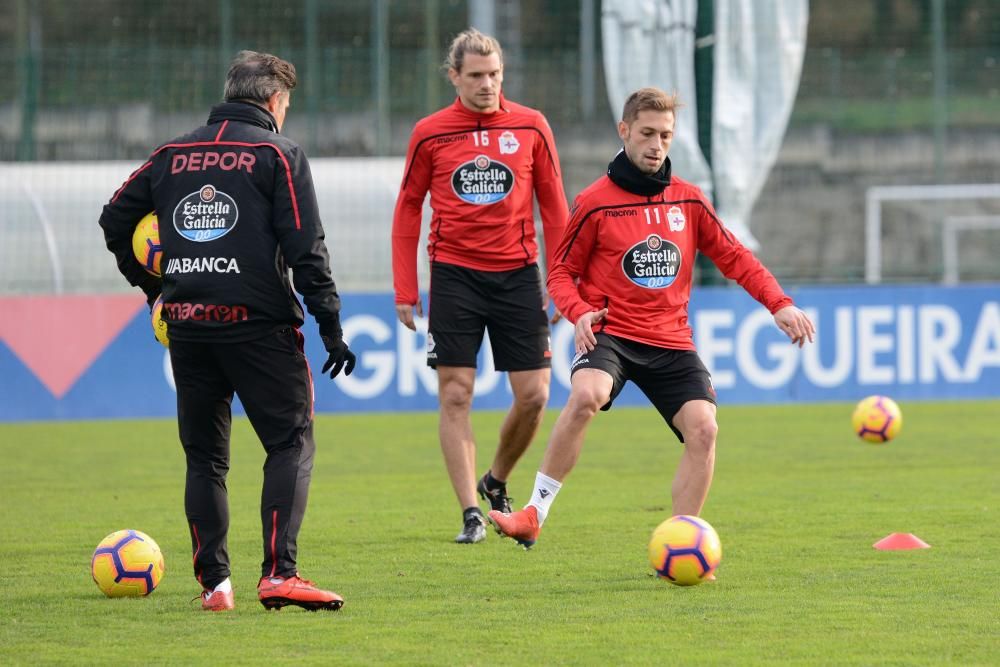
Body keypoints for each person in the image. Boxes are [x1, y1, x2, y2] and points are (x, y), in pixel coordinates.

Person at [488, 87, 815, 553]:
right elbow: (560, 272)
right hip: (611, 332)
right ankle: (534, 514)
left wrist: (778, 303)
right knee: (586, 395)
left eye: (665, 135)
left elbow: (735, 257)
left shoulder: (689, 201)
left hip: (670, 340)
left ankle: (682, 541)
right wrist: (579, 311)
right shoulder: (595, 202)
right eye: (646, 133)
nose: (656, 144)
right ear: (624, 132)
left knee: (704, 427)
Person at [98, 51, 356, 611]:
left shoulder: (171, 154)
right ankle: (279, 575)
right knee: (290, 442)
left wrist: (155, 288)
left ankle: (216, 587)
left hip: (188, 327)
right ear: (273, 100)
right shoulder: (277, 154)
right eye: (286, 103)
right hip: (259, 326)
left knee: (205, 460)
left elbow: (115, 217)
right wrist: (331, 326)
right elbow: (305, 249)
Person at [392, 29, 570, 543]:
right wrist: (406, 288)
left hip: (518, 274)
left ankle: (495, 480)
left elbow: (556, 209)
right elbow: (407, 208)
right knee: (455, 394)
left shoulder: (532, 126)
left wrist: (561, 283)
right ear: (454, 77)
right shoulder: (429, 132)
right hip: (454, 276)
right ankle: (471, 512)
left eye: (494, 74)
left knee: (535, 395)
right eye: (476, 75)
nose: (487, 84)